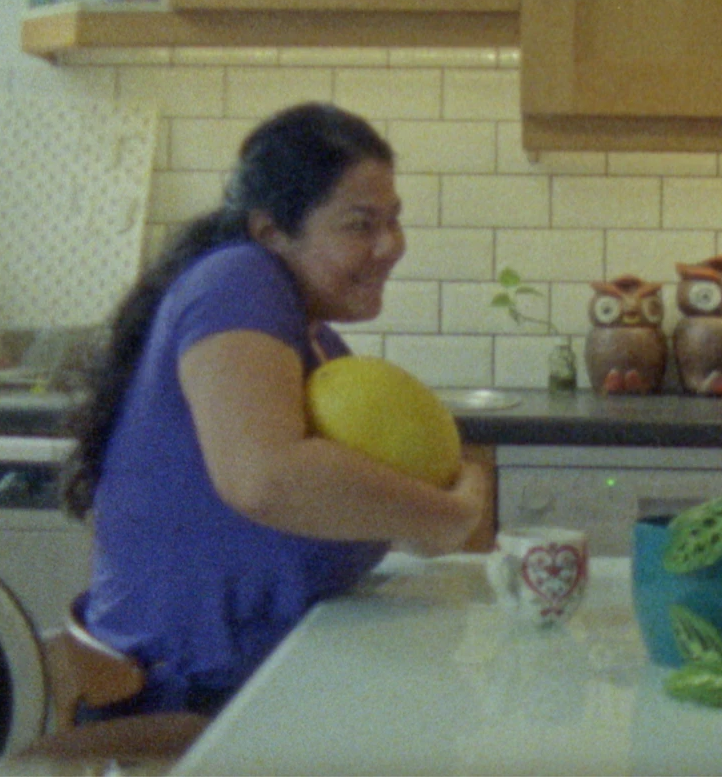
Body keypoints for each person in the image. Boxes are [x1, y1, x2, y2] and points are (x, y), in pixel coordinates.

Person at [60, 103, 490, 719]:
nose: (390, 246)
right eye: (359, 224)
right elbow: (265, 476)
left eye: (394, 221)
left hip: (257, 681)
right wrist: (446, 514)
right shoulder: (238, 281)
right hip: (188, 709)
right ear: (270, 233)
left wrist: (445, 501)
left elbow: (379, 512)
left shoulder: (316, 341)